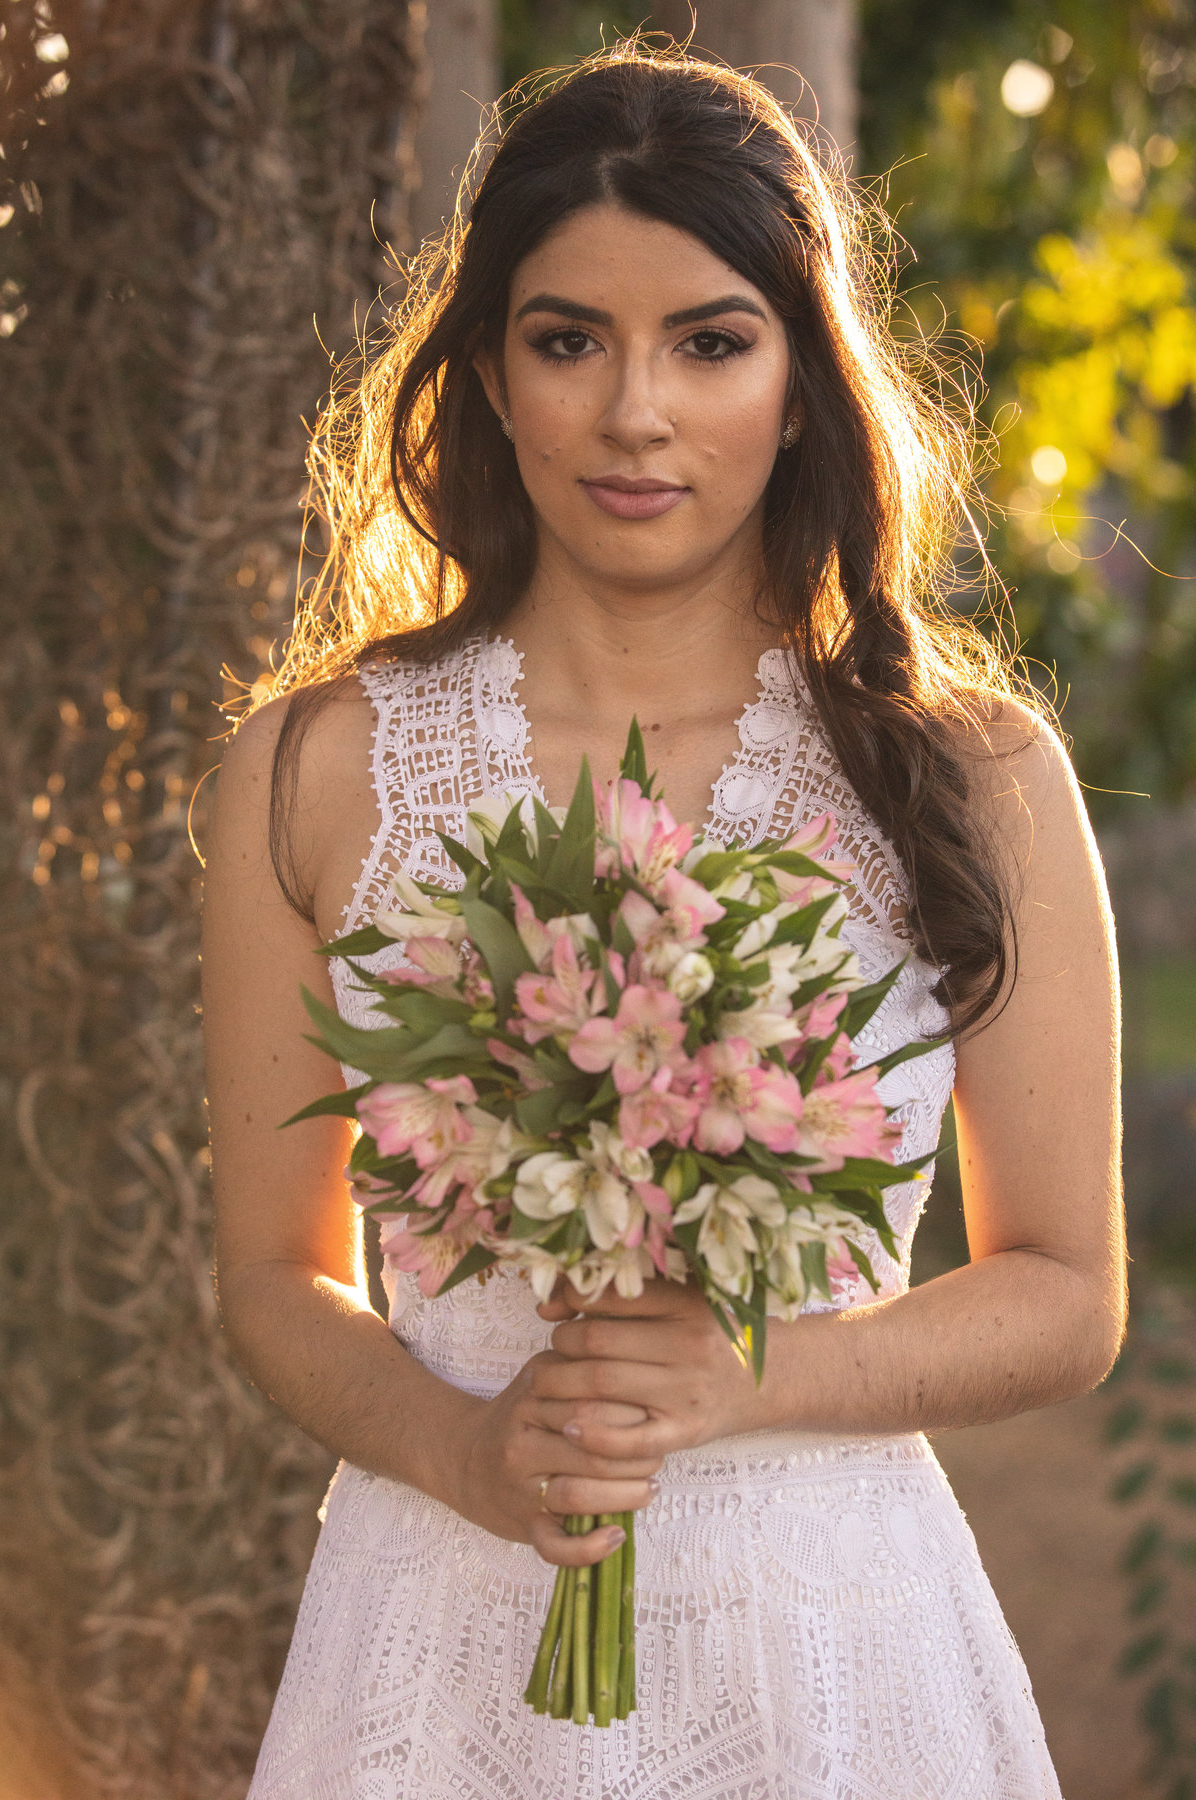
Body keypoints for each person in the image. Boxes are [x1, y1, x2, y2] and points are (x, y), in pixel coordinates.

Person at [202, 44, 1125, 1800]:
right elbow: (271, 1273)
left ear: (803, 382)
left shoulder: (973, 773)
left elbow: (1068, 1296)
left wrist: (745, 1377)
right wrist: (463, 1451)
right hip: (438, 1630)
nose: (636, 413)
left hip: (828, 1641)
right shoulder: (315, 769)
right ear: (490, 372)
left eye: (711, 343)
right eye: (570, 341)